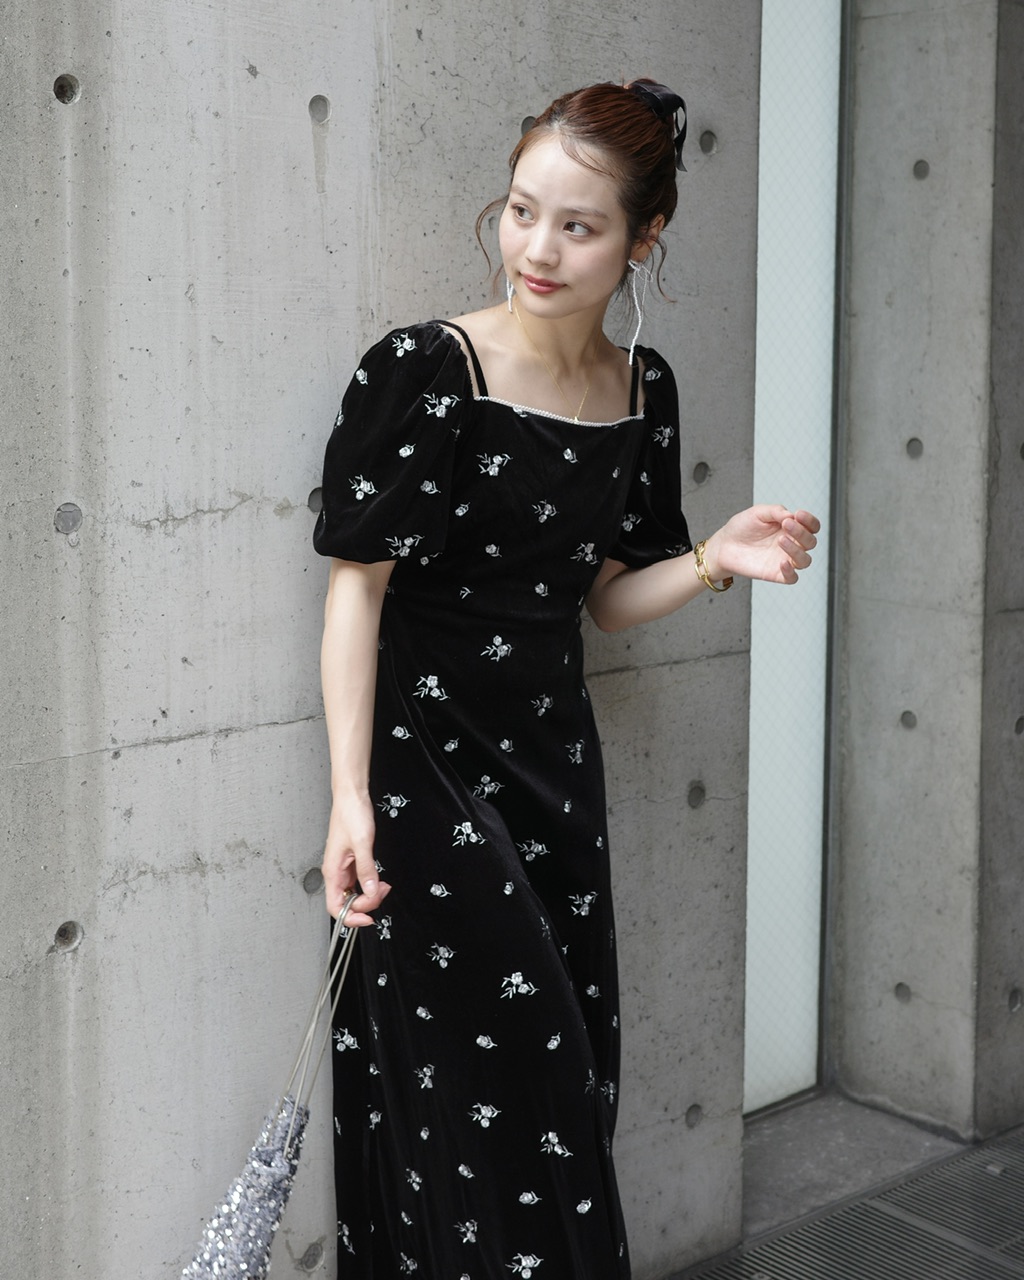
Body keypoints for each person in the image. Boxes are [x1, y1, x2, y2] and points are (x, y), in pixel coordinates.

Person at [313, 78, 819, 1279]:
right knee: (484, 1092)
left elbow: (605, 598)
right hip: (424, 771)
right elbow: (356, 589)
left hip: (552, 768)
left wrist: (714, 558)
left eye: (578, 226)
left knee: (565, 1078)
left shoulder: (643, 389)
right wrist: (350, 796)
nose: (536, 248)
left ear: (645, 236)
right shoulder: (426, 368)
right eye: (522, 210)